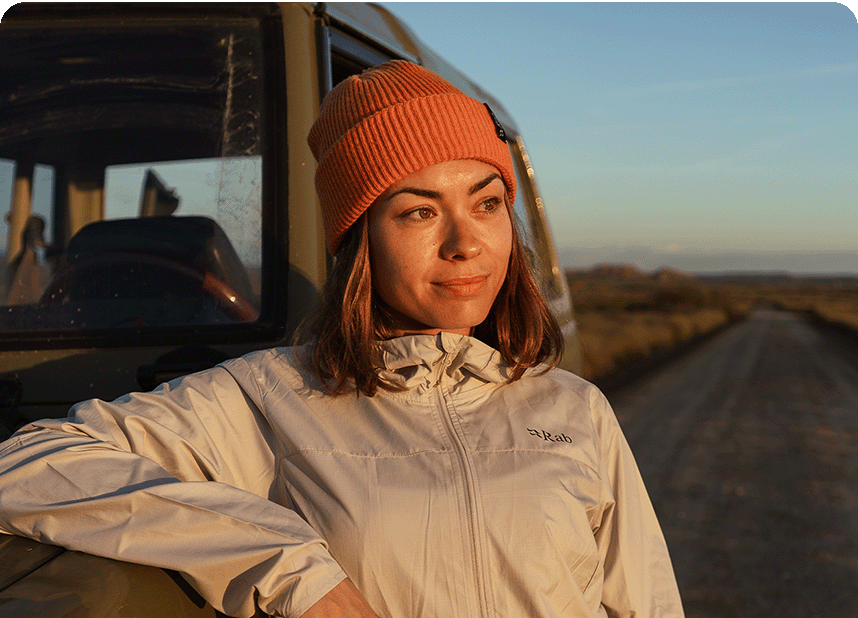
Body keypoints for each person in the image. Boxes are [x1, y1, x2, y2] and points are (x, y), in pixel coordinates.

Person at [0, 60, 684, 618]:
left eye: (486, 203)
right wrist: (284, 562)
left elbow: (646, 603)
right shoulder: (267, 396)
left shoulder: (574, 408)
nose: (466, 244)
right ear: (359, 243)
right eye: (419, 211)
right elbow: (25, 466)